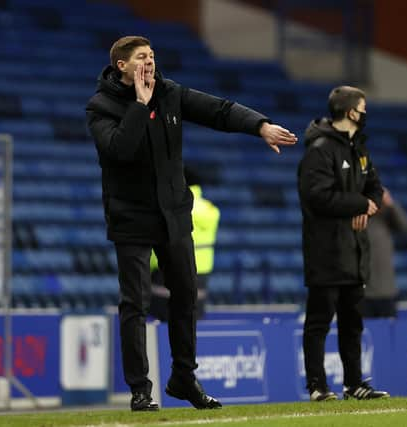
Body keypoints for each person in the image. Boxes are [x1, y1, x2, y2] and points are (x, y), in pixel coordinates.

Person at [86, 36, 297, 411]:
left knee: (186, 297)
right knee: (135, 303)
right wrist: (139, 104)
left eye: (151, 56)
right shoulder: (100, 106)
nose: (149, 63)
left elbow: (220, 111)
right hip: (130, 217)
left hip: (173, 214)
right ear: (122, 66)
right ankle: (140, 389)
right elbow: (120, 149)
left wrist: (260, 126)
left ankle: (183, 378)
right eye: (140, 58)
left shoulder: (171, 93)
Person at [297, 85, 390, 401]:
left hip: (355, 249)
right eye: (362, 108)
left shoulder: (360, 150)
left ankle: (354, 383)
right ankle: (317, 386)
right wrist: (359, 204)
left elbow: (376, 188)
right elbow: (317, 197)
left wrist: (368, 204)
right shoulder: (320, 150)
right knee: (319, 321)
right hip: (326, 250)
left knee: (353, 322)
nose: (365, 114)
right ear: (351, 112)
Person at [149, 174, 220, 322]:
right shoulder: (210, 210)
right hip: (200, 273)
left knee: (163, 320)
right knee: (192, 320)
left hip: (167, 268)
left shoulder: (167, 206)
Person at [363, 187, 407, 318]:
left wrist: (390, 202)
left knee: (389, 335)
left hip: (387, 292)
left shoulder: (387, 218)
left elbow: (405, 226)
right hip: (363, 294)